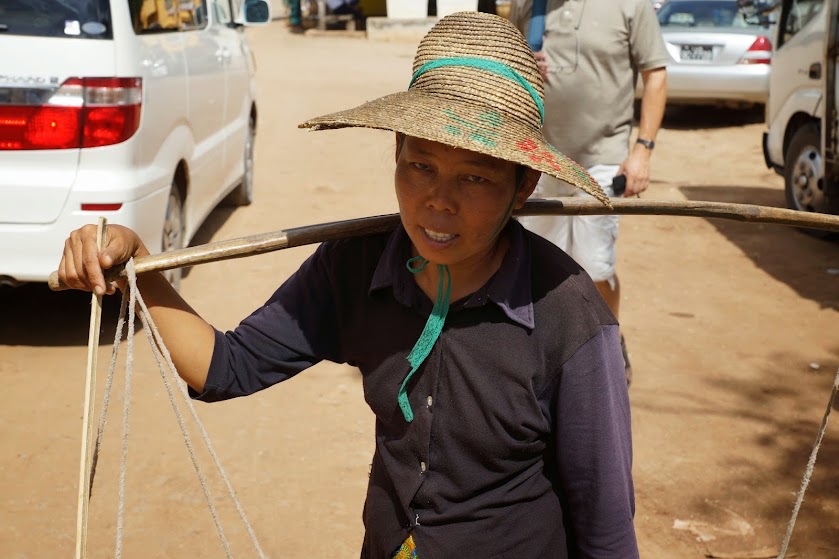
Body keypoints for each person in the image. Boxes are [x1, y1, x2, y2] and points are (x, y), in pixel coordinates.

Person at [58, 12, 638, 558]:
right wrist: (139, 262)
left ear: (524, 185)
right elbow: (224, 366)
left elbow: (606, 527)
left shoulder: (570, 316)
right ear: (396, 151)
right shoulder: (357, 267)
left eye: (476, 178)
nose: (439, 200)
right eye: (421, 166)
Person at [509, 0, 669, 384]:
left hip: (602, 158)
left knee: (596, 268)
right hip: (538, 157)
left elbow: (656, 76)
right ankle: (545, 350)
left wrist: (642, 151)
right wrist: (523, 71)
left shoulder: (630, 5)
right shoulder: (527, 5)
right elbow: (508, 68)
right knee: (533, 265)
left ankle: (609, 340)